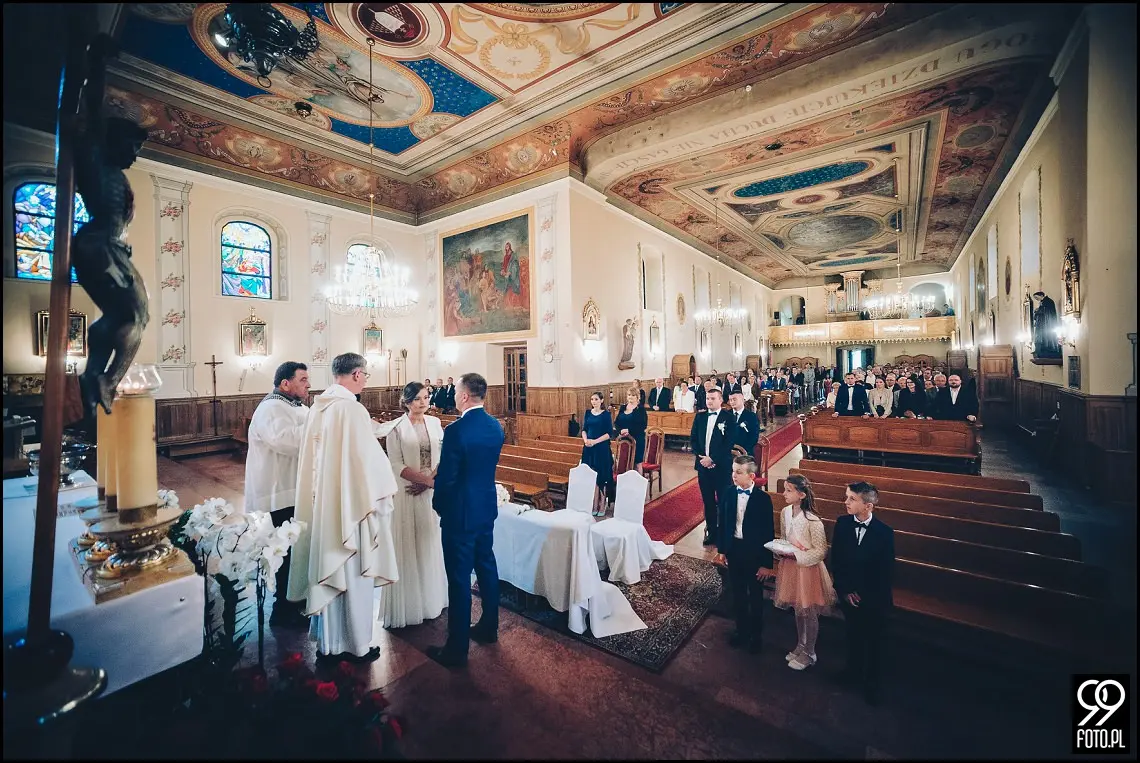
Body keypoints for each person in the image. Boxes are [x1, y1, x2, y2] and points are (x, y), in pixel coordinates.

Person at [288, 353, 399, 664]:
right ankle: (357, 646)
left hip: (325, 503)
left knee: (331, 567)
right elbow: (369, 463)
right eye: (365, 374)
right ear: (356, 374)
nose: (366, 380)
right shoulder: (351, 409)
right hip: (352, 507)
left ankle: (330, 645)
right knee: (353, 574)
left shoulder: (318, 407)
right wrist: (385, 493)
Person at [428, 373, 505, 668]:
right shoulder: (494, 426)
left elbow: (447, 478)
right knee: (486, 567)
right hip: (485, 508)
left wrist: (439, 506)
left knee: (459, 579)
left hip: (460, 514)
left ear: (462, 396)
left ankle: (457, 648)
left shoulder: (457, 430)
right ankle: (489, 626)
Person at [245, 361, 311, 626]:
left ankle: (298, 598)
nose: (308, 384)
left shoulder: (298, 407)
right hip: (279, 493)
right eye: (303, 379)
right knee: (285, 551)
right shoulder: (271, 408)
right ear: (286, 383)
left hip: (296, 489)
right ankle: (283, 609)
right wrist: (319, 424)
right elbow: (286, 441)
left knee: (299, 548)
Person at [382, 382, 447, 630]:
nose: (423, 402)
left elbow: (442, 455)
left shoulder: (435, 423)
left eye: (426, 397)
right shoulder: (396, 428)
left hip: (430, 491)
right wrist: (425, 481)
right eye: (418, 399)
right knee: (410, 542)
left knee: (430, 540)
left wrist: (431, 482)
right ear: (407, 402)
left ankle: (434, 598)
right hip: (407, 491)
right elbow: (396, 464)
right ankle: (411, 604)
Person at [830, 482, 895, 705]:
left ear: (868, 506)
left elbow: (884, 572)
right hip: (848, 594)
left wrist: (863, 595)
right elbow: (836, 560)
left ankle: (873, 683)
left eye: (851, 499)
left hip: (874, 598)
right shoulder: (842, 524)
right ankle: (852, 672)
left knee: (874, 642)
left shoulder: (885, 533)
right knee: (853, 635)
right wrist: (846, 590)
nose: (845, 502)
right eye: (846, 497)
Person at [713, 456, 775, 655]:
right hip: (734, 550)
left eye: (739, 472)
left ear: (752, 476)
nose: (734, 475)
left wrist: (766, 564)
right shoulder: (728, 493)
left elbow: (768, 532)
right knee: (738, 593)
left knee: (755, 596)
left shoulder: (763, 499)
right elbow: (722, 523)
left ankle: (756, 635)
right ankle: (741, 630)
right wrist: (722, 550)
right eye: (733, 470)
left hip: (755, 554)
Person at [774, 474, 836, 671]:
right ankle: (800, 645)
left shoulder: (812, 520)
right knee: (797, 609)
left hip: (807, 571)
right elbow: (784, 537)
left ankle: (810, 652)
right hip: (791, 568)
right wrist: (780, 549)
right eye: (784, 489)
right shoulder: (785, 512)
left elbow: (820, 550)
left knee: (808, 611)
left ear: (801, 494)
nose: (784, 493)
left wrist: (798, 556)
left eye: (788, 490)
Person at [689, 387, 734, 546]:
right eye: (708, 398)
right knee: (708, 501)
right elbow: (693, 439)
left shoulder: (728, 418)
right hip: (703, 466)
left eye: (713, 398)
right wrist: (702, 458)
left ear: (721, 400)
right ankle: (711, 532)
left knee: (723, 501)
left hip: (721, 467)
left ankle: (723, 532)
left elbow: (728, 443)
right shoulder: (700, 417)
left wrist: (713, 459)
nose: (709, 401)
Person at [581, 392, 615, 517]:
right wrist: (586, 440)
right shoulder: (588, 413)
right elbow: (584, 429)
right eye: (592, 399)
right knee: (592, 476)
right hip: (589, 448)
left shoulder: (606, 415)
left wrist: (594, 441)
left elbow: (609, 434)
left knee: (602, 476)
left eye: (596, 399)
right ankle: (594, 503)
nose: (593, 401)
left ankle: (602, 504)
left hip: (601, 448)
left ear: (601, 400)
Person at [615, 387, 648, 470]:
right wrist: (620, 430)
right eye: (629, 395)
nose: (630, 397)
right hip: (623, 439)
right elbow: (617, 422)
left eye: (633, 395)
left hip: (637, 439)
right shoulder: (623, 408)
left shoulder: (641, 409)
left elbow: (643, 425)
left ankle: (639, 482)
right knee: (623, 463)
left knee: (637, 464)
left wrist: (628, 430)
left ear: (637, 397)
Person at [727, 389, 761, 456]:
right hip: (727, 453)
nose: (732, 402)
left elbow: (753, 438)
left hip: (745, 454)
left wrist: (741, 451)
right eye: (730, 400)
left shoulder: (752, 416)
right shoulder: (725, 415)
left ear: (743, 400)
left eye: (734, 399)